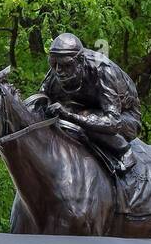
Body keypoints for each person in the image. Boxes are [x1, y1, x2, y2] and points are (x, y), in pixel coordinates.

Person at [37, 32, 142, 175]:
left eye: (65, 65)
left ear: (80, 60)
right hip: (83, 109)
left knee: (82, 118)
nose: (58, 71)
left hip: (123, 118)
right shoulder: (58, 67)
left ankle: (124, 151)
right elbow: (40, 101)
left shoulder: (103, 70)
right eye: (53, 64)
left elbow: (113, 122)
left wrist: (70, 115)